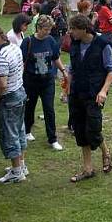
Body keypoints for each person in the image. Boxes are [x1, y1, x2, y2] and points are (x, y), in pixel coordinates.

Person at [65, 14, 112, 182]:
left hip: (94, 94)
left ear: (84, 29)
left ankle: (106, 152)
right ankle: (88, 169)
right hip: (77, 93)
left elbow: (111, 70)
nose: (70, 32)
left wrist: (103, 91)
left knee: (92, 129)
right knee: (79, 129)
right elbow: (71, 69)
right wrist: (67, 89)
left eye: (73, 29)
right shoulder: (75, 44)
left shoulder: (102, 45)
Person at [0, 24, 28, 183]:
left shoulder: (2, 56)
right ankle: (21, 165)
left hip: (9, 97)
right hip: (20, 92)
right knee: (19, 130)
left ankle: (17, 171)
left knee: (9, 133)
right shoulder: (14, 48)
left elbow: (2, 84)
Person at [21, 15, 67, 151]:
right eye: (46, 29)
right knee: (29, 107)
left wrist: (63, 70)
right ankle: (27, 131)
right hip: (31, 81)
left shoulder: (51, 40)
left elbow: (55, 58)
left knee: (49, 109)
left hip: (47, 81)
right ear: (39, 28)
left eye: (49, 29)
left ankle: (52, 139)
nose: (48, 32)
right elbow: (20, 61)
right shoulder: (28, 42)